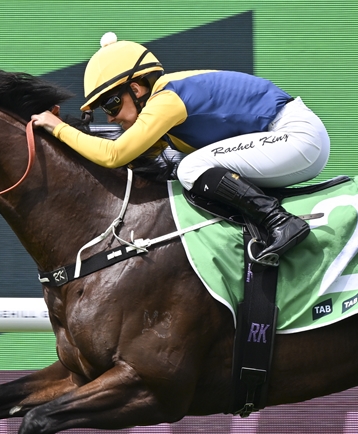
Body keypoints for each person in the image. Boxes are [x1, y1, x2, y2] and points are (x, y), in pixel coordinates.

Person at [30, 32, 331, 264]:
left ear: (135, 88)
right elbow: (126, 161)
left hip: (295, 136)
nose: (110, 118)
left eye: (111, 104)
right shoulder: (164, 116)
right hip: (287, 143)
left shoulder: (166, 100)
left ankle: (279, 221)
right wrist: (61, 136)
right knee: (186, 172)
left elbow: (114, 154)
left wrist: (58, 128)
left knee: (191, 167)